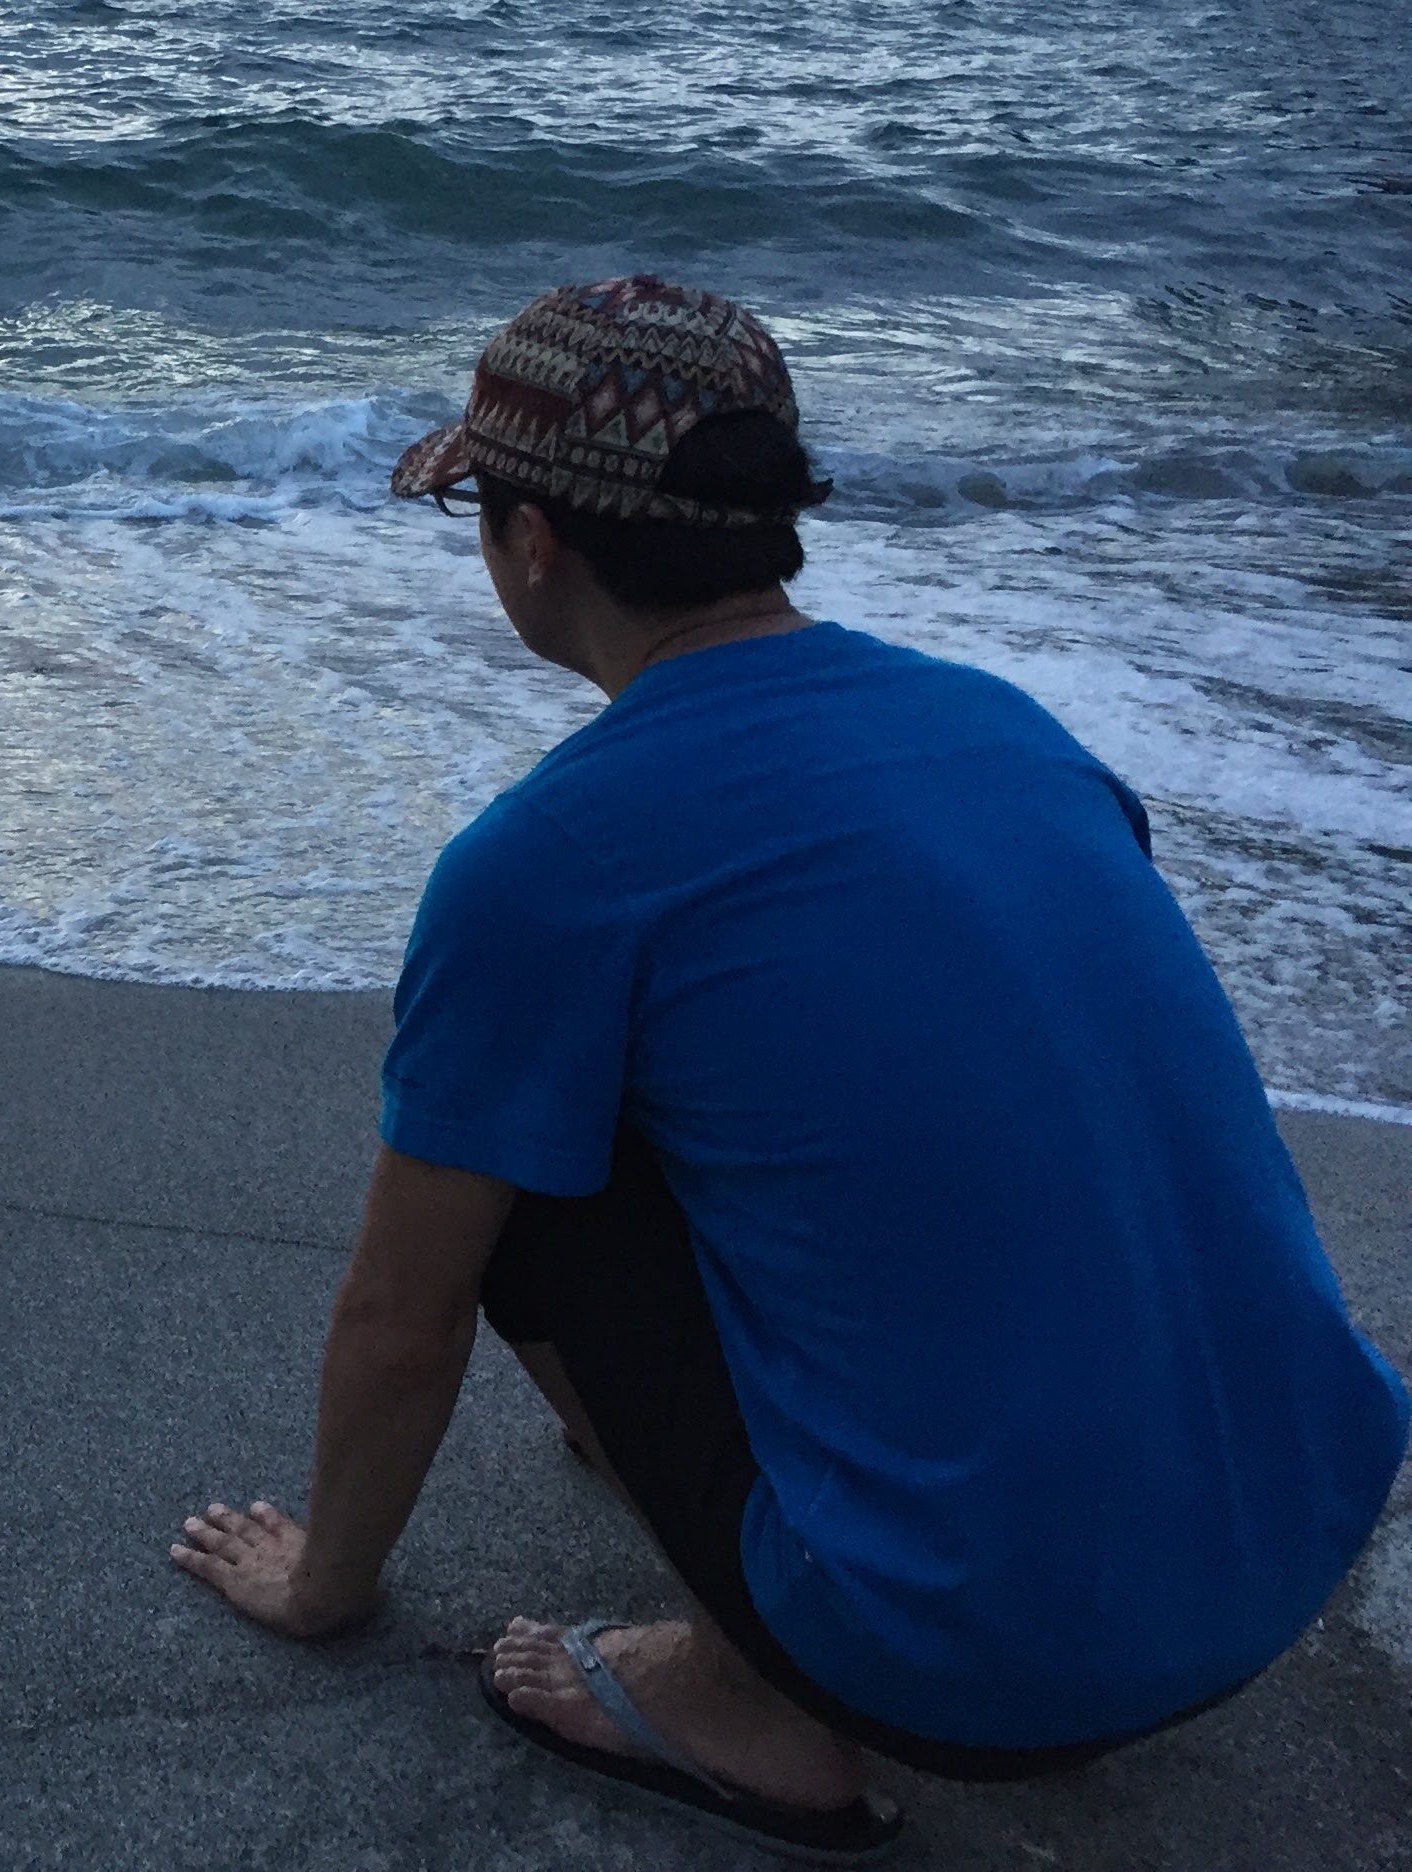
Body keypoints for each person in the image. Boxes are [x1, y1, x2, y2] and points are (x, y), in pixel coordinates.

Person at [166, 276, 1409, 1859]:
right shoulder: (1010, 731)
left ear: (532, 541)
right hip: (1288, 1547)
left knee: (524, 1191)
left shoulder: (554, 860)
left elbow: (402, 1316)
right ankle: (717, 1462)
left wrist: (323, 1584)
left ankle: (749, 1702)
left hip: (976, 1666)